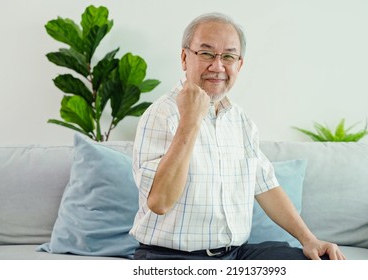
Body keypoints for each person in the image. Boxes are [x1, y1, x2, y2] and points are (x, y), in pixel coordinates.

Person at [130, 12, 346, 260]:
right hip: (171, 257)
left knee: (318, 264)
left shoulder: (239, 119)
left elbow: (265, 185)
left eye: (229, 56)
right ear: (184, 57)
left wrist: (310, 239)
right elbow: (159, 202)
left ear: (239, 64)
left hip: (235, 255)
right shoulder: (160, 115)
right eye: (207, 53)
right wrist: (190, 121)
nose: (218, 66)